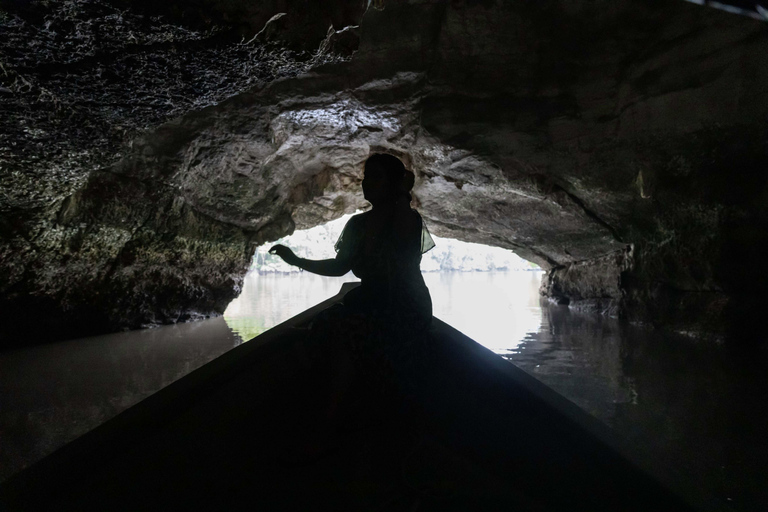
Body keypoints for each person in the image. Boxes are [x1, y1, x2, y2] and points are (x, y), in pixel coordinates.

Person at [269, 153, 435, 420]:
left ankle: (331, 418)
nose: (367, 183)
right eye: (366, 177)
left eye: (377, 177)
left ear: (394, 183)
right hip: (371, 301)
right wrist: (296, 260)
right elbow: (339, 267)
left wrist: (403, 194)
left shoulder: (407, 219)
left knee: (345, 333)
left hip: (405, 306)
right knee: (321, 328)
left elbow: (405, 243)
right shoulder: (357, 225)